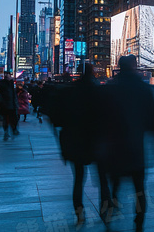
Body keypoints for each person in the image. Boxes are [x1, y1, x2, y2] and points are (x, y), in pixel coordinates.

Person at [95, 55, 154, 231]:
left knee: (114, 183)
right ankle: (139, 220)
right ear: (134, 67)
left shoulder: (109, 88)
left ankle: (110, 210)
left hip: (113, 149)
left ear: (119, 67)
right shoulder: (145, 89)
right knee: (139, 189)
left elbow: (98, 120)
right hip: (136, 148)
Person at [51, 63, 104, 226]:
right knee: (103, 178)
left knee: (79, 179)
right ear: (93, 72)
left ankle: (79, 212)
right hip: (96, 140)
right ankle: (106, 210)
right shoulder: (99, 91)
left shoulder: (69, 91)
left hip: (75, 142)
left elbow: (56, 117)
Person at [0, 74, 18, 140]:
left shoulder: (3, 85)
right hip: (9, 105)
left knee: (6, 119)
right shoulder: (9, 85)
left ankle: (7, 131)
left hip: (5, 105)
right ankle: (11, 131)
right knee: (11, 119)